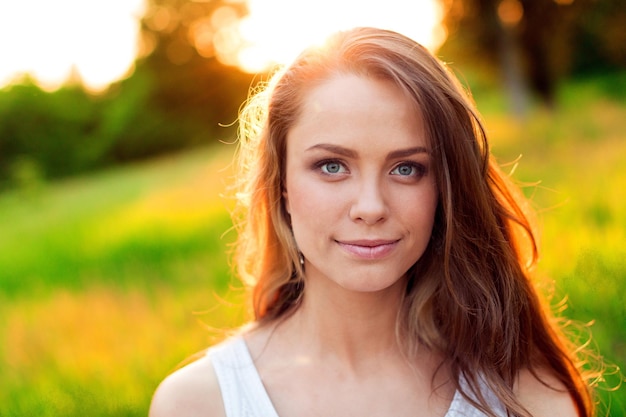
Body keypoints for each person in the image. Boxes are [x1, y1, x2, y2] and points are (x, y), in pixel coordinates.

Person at [150, 27, 596, 417]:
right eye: (331, 166)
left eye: (406, 169)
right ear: (281, 182)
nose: (370, 206)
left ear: (445, 187)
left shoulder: (524, 397)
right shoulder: (198, 404)